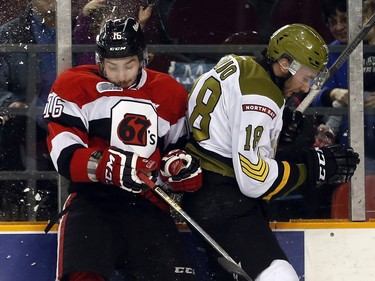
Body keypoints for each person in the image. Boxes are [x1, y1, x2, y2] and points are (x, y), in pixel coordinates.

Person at [182, 24, 360, 281]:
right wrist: (312, 167)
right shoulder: (262, 97)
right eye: (307, 78)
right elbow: (254, 180)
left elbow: (231, 125)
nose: (306, 88)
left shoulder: (238, 64)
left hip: (206, 191)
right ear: (285, 63)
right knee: (278, 276)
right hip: (223, 201)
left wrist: (276, 130)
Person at [43, 17, 202, 281]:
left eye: (129, 65)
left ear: (143, 58)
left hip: (149, 206)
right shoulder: (74, 84)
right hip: (93, 202)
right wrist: (101, 163)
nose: (121, 76)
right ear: (99, 60)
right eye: (112, 67)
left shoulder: (169, 92)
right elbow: (63, 154)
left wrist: (178, 169)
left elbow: (175, 152)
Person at [0, 0, 57, 220]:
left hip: (72, 119)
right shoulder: (10, 33)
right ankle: (16, 209)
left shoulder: (78, 30)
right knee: (13, 124)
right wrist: (11, 103)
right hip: (30, 122)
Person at [313, 0, 375, 173]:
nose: (339, 27)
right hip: (346, 143)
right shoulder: (329, 54)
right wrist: (333, 93)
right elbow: (313, 93)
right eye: (333, 22)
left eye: (345, 19)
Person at [73, 0, 155, 65]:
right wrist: (85, 12)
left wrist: (141, 23)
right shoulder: (89, 41)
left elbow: (133, 41)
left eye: (116, 25)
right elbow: (79, 33)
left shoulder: (120, 45)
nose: (111, 28)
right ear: (99, 24)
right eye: (107, 23)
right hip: (90, 78)